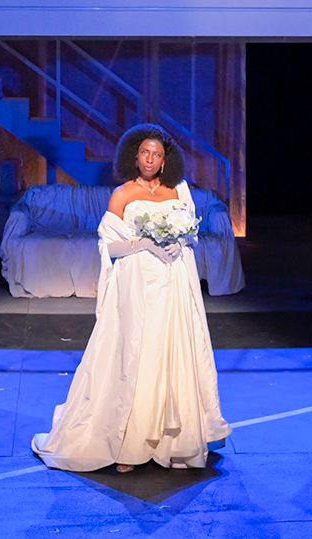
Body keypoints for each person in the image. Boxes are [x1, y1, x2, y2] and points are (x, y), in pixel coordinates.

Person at [33, 124, 229, 472]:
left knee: (174, 351)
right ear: (134, 157)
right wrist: (144, 243)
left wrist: (180, 243)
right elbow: (108, 245)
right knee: (138, 353)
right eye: (144, 153)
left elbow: (192, 233)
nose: (150, 159)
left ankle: (175, 441)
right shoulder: (123, 194)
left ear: (166, 160)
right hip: (139, 283)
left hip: (174, 282)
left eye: (157, 154)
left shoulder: (179, 189)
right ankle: (129, 444)